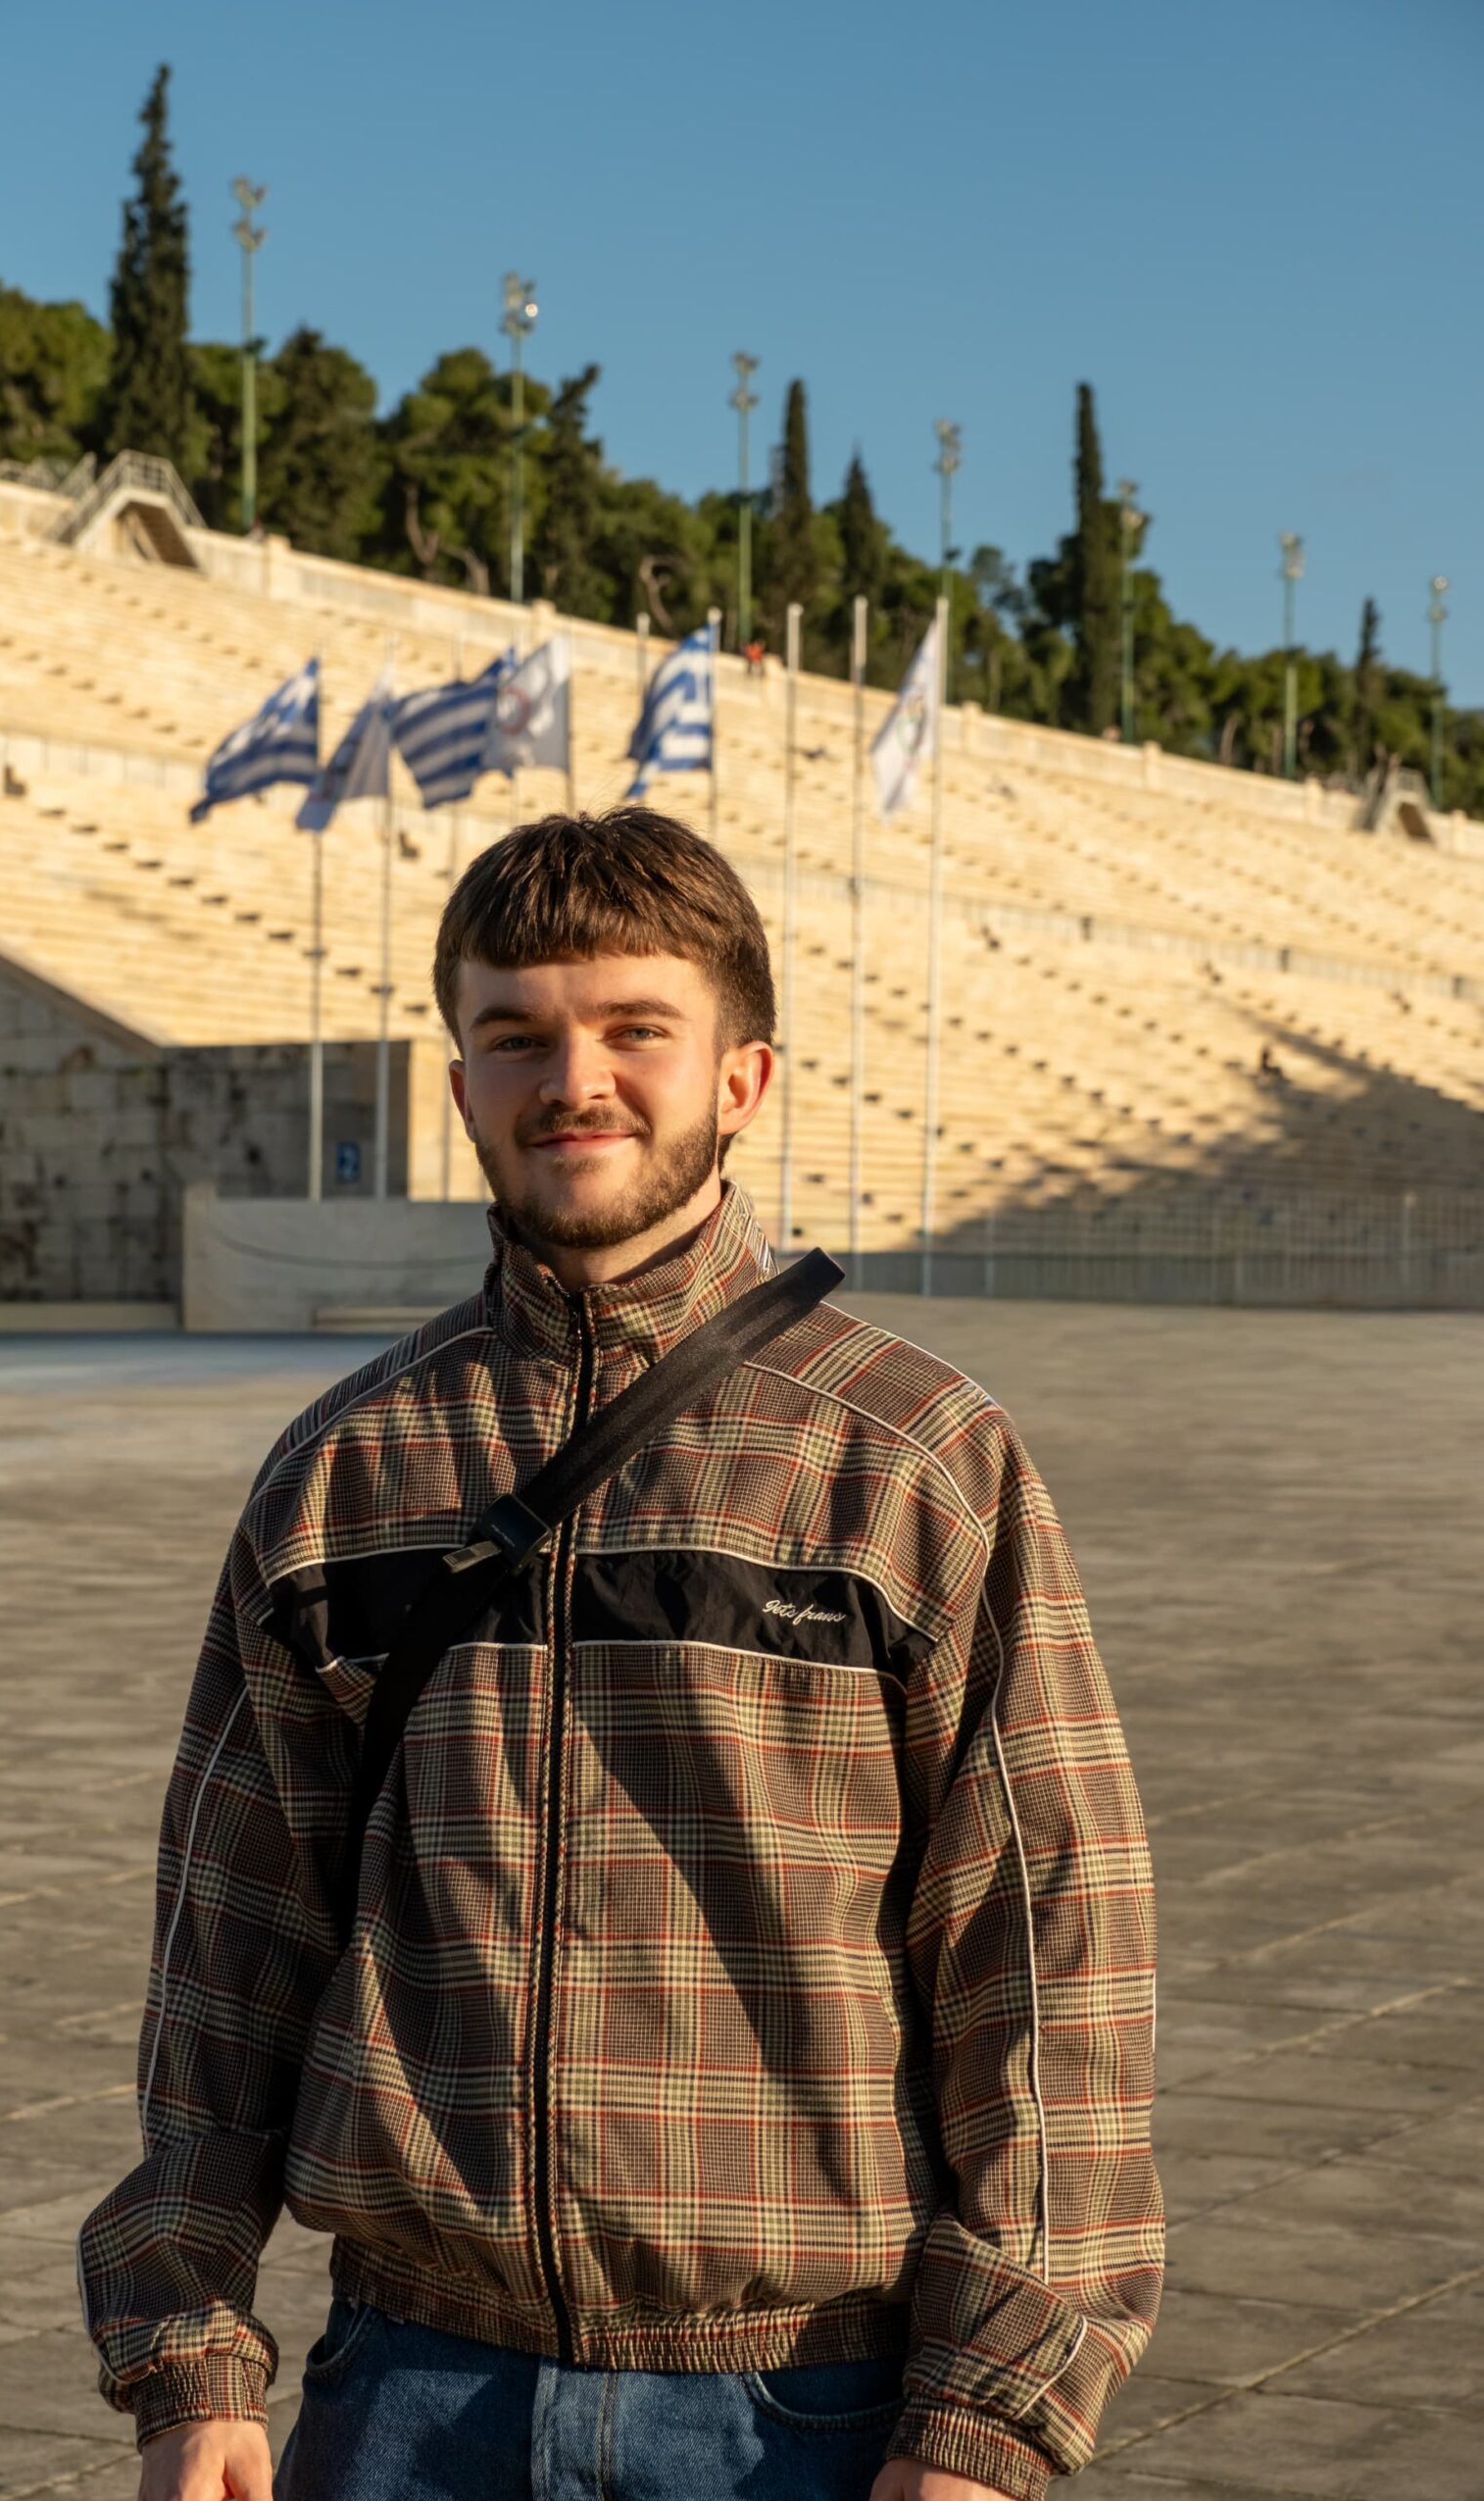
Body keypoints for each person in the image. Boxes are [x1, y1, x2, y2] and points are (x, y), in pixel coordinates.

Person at [79, 808, 1162, 2501]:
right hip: (411, 2395)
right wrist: (189, 2354)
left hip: (804, 2407)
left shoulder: (908, 1457)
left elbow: (1045, 1946)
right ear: (461, 1087)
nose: (572, 1081)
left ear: (742, 1077)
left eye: (633, 1029)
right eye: (517, 1036)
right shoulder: (348, 1469)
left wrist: (992, 2410)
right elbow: (234, 1931)